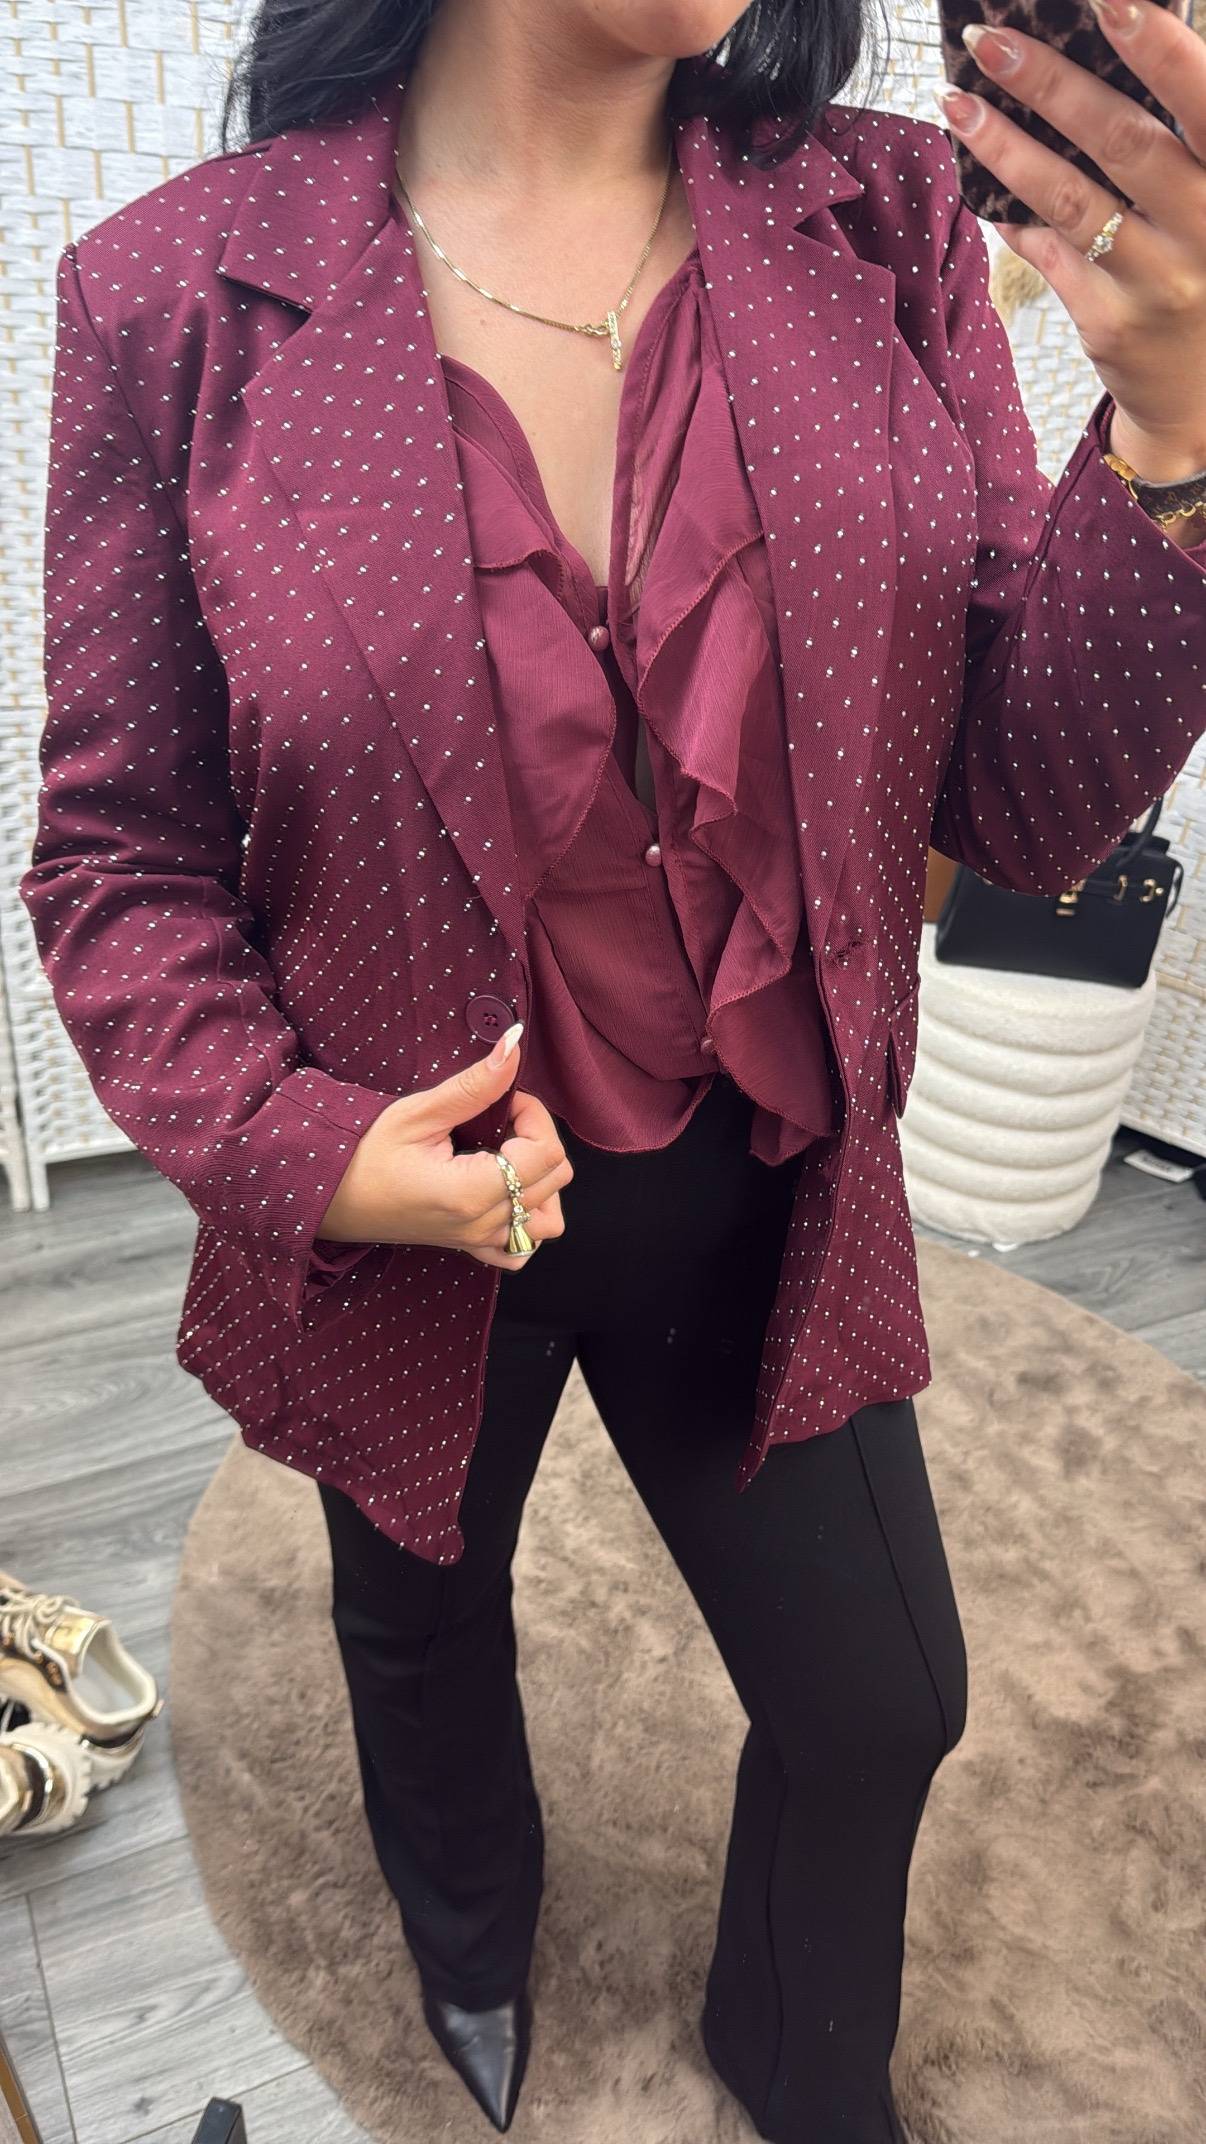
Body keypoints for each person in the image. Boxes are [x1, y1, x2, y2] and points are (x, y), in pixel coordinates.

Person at [20, 0, 1206, 2134]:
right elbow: (116, 854)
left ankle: (794, 2056)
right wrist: (300, 1149)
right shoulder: (173, 297)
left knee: (881, 1698)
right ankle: (466, 1935)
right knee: (419, 1616)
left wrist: (1180, 441)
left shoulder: (880, 221)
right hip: (411, 1214)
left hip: (766, 1180)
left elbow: (1021, 801)